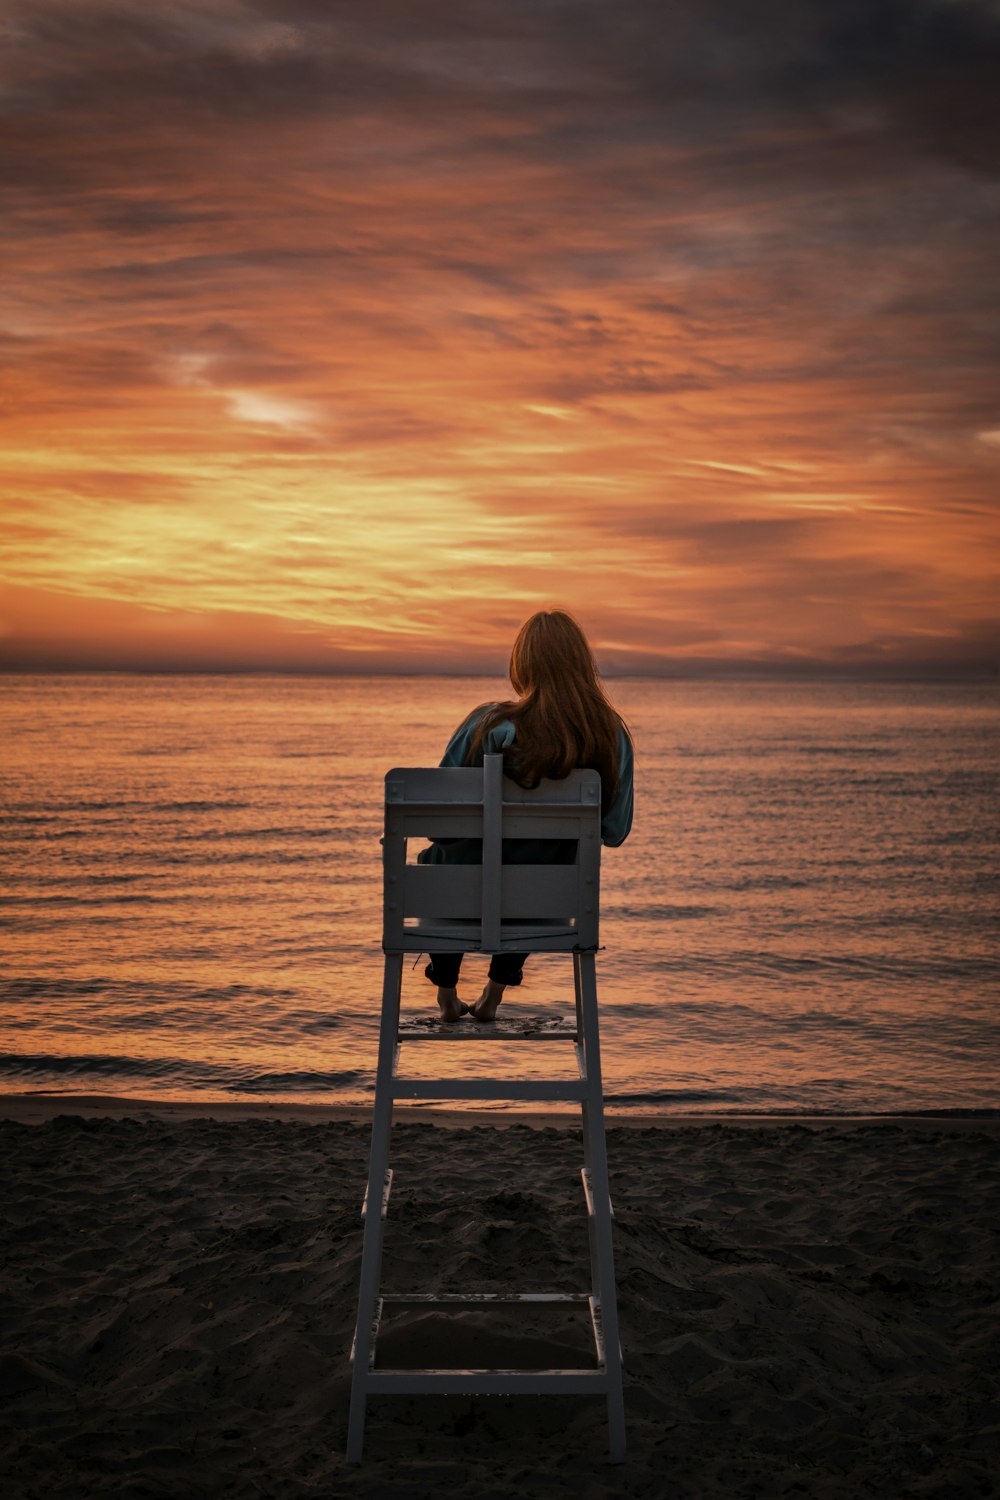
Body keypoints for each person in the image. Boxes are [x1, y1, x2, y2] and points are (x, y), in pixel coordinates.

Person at [419, 609, 634, 1024]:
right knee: (540, 862)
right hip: (547, 904)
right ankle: (494, 992)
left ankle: (446, 992)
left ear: (523, 663)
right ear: (582, 664)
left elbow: (436, 822)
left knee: (442, 862)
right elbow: (614, 831)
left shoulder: (488, 725)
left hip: (458, 896)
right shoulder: (610, 736)